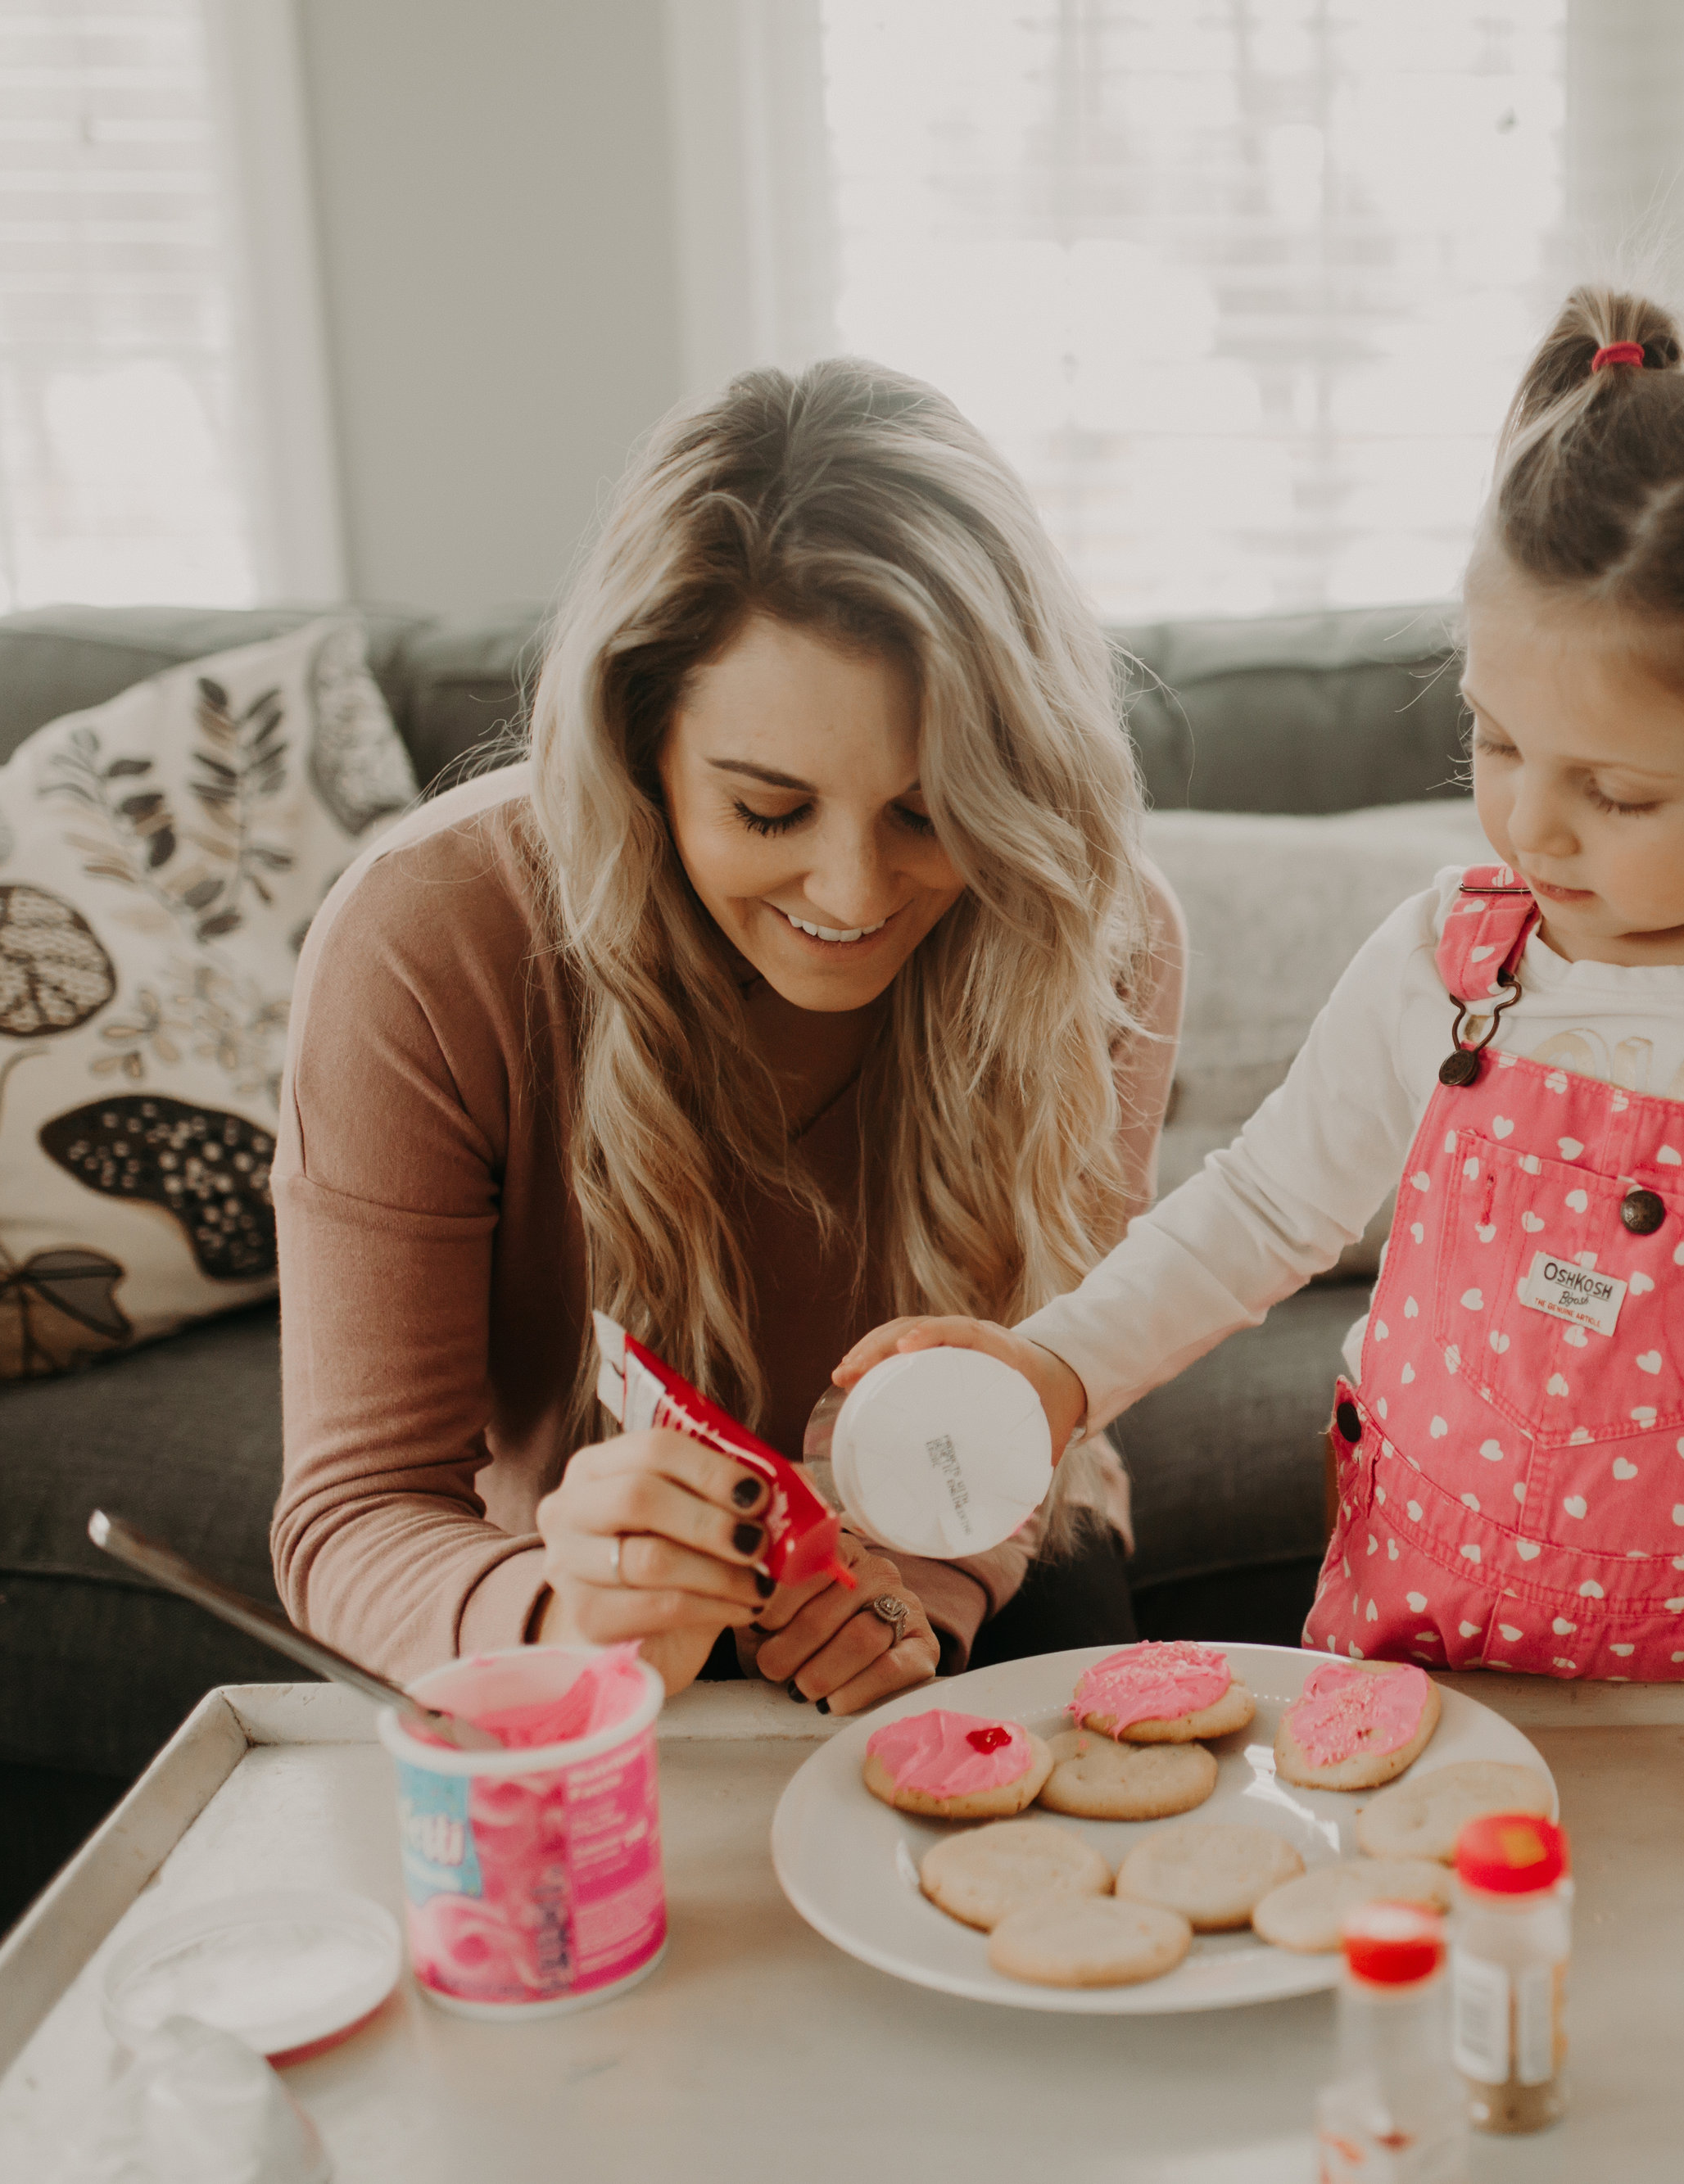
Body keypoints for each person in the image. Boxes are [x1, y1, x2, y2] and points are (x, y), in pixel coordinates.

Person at [845, 288, 1684, 1866]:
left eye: (1616, 792)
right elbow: (1263, 1206)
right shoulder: (1454, 954)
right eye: (1495, 742)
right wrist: (1056, 1371)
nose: (1532, 828)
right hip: (1399, 1686)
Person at [272, 359, 1181, 1710]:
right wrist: (562, 1615)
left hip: (965, 1539)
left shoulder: (1093, 937)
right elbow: (352, 1514)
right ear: (640, 746)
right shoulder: (429, 939)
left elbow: (1040, 1397)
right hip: (569, 1598)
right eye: (769, 812)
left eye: (933, 814)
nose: (856, 896)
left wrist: (916, 1592)